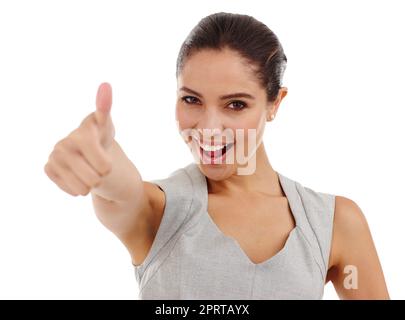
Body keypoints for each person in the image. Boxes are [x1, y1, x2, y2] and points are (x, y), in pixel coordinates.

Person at [44, 12, 389, 299]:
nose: (209, 127)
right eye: (191, 100)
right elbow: (121, 189)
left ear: (275, 103)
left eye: (236, 104)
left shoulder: (332, 223)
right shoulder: (157, 212)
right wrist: (102, 161)